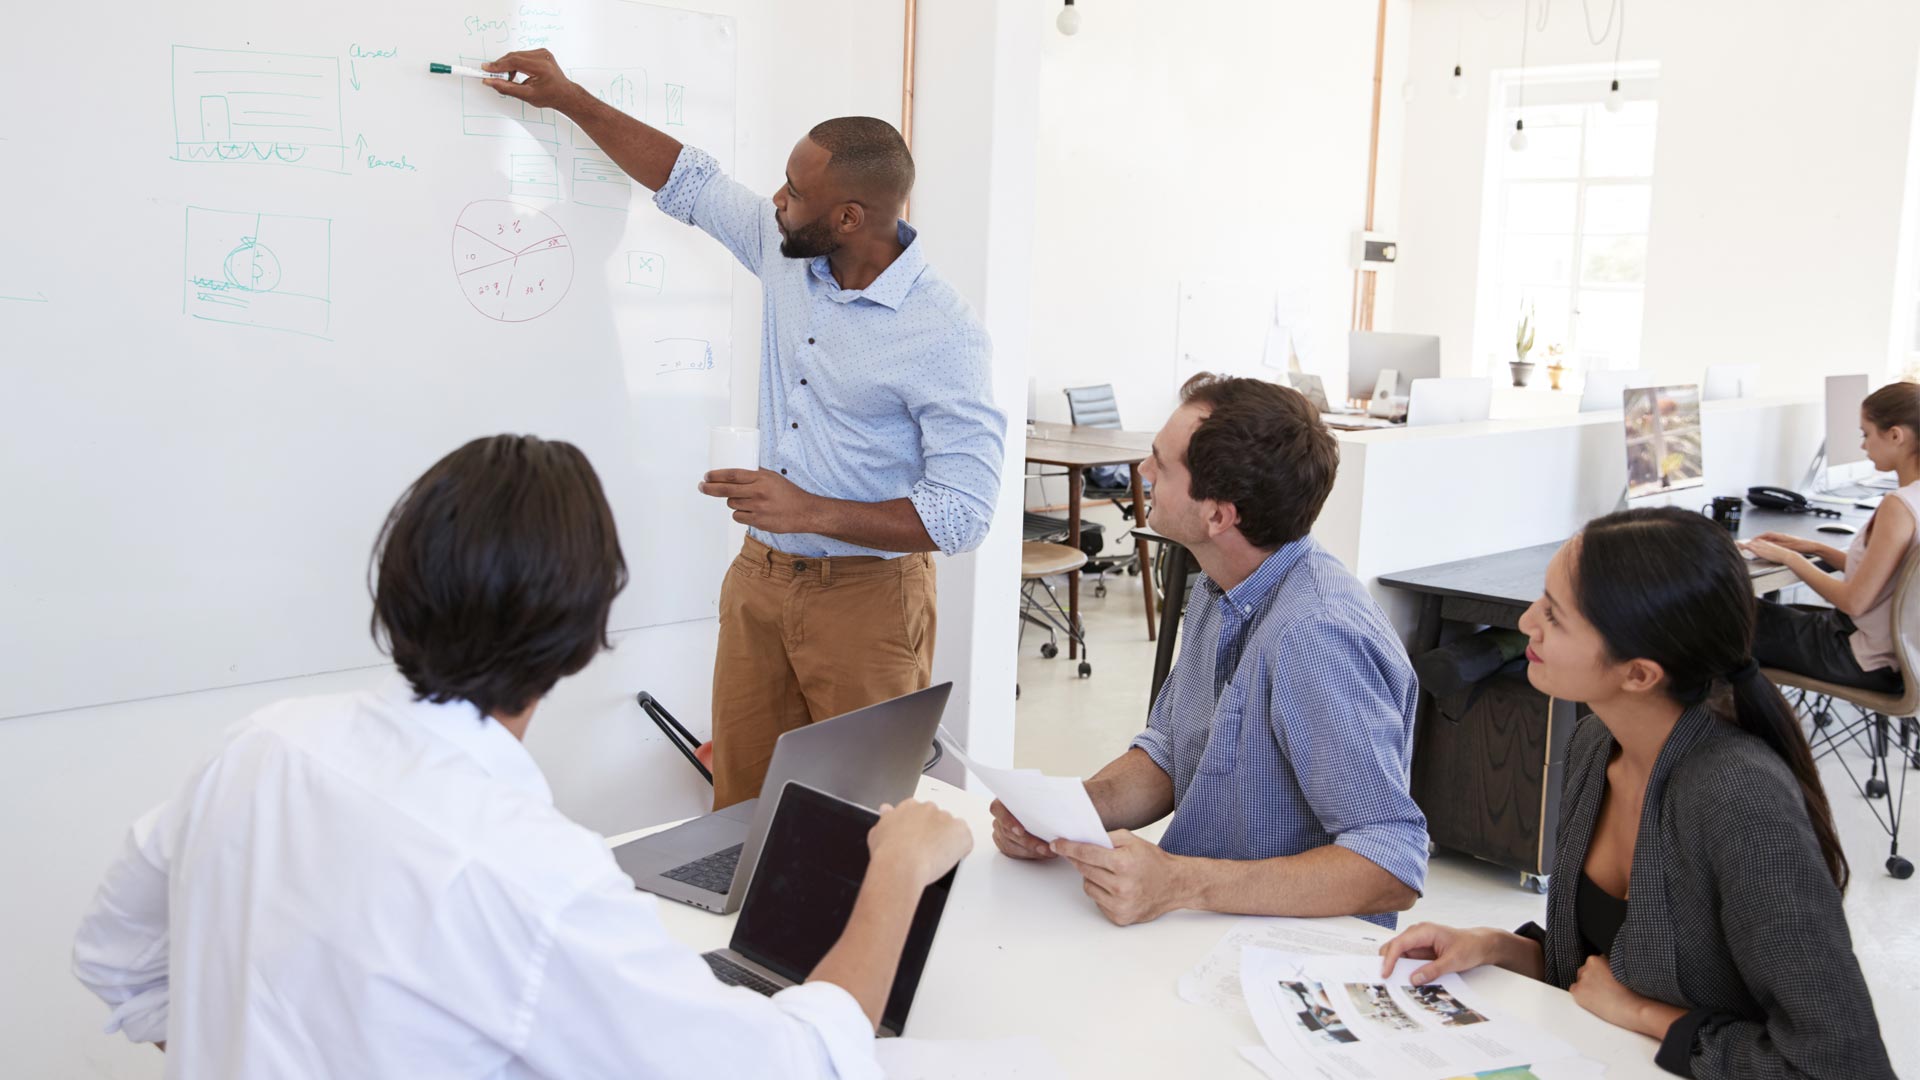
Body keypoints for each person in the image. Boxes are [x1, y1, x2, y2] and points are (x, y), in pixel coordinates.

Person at [71, 435, 972, 1078]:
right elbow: (798, 1062)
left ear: (398, 581)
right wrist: (893, 869)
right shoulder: (531, 877)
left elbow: (116, 958)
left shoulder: (262, 748)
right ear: (584, 638)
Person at [481, 51, 1006, 809]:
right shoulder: (790, 250)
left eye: (796, 191)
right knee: (739, 808)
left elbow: (963, 514)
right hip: (759, 582)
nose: (777, 199)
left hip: (869, 601)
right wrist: (568, 99)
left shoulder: (944, 335)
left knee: (861, 820)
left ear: (849, 218)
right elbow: (686, 179)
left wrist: (808, 510)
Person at [1379, 508, 1894, 1079]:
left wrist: (1648, 1015)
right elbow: (1600, 968)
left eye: (1555, 615)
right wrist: (1492, 946)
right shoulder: (1598, 741)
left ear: (1640, 674)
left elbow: (1844, 1065)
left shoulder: (1739, 798)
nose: (1527, 622)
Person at [990, 374, 1428, 928]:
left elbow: (1391, 861)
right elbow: (1172, 754)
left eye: (1161, 464)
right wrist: (1065, 816)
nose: (1143, 472)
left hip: (1284, 959)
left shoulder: (1315, 636)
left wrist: (1179, 884)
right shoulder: (1217, 585)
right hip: (1211, 930)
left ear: (1219, 515)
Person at [1744, 381, 1920, 693]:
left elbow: (1854, 600)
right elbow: (1887, 574)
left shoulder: (1899, 506)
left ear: (1895, 435)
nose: (1863, 446)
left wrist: (1790, 558)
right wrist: (1816, 548)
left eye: (1866, 434)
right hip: (1898, 656)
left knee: (1718, 615)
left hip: (1858, 656)